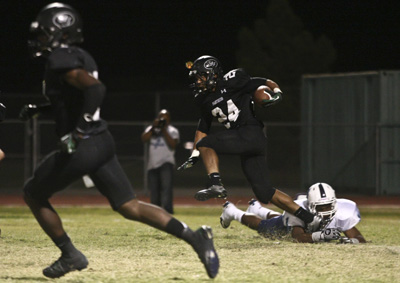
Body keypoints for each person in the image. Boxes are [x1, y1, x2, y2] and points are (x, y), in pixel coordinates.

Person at [20, 3, 218, 279]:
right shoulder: (82, 56)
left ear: (60, 34)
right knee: (129, 206)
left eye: (44, 34)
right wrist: (42, 109)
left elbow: (95, 89)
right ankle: (195, 237)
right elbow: (75, 99)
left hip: (84, 145)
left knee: (33, 192)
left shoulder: (60, 59)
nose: (40, 40)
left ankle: (69, 254)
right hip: (102, 140)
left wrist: (77, 133)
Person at [178, 55, 321, 231]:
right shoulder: (203, 99)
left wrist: (277, 92)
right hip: (247, 140)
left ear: (212, 74)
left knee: (207, 143)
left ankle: (215, 183)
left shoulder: (233, 80)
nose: (198, 81)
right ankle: (311, 220)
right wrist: (194, 154)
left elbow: (263, 81)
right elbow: (203, 128)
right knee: (265, 192)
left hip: (250, 132)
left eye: (200, 76)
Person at [220, 183, 366, 244]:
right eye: (321, 207)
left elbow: (358, 237)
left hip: (289, 220)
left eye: (328, 206)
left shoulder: (343, 210)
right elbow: (297, 237)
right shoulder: (300, 211)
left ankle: (257, 209)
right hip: (286, 228)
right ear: (311, 206)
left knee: (281, 217)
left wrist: (352, 241)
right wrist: (320, 235)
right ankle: (232, 211)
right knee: (264, 227)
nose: (325, 211)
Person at [141, 109, 179, 214]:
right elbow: (144, 139)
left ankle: (167, 212)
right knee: (154, 191)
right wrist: (154, 127)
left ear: (169, 119)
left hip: (167, 163)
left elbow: (173, 145)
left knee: (166, 190)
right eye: (161, 117)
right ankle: (155, 213)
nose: (163, 119)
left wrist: (164, 130)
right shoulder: (151, 128)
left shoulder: (172, 130)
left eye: (165, 117)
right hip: (152, 164)